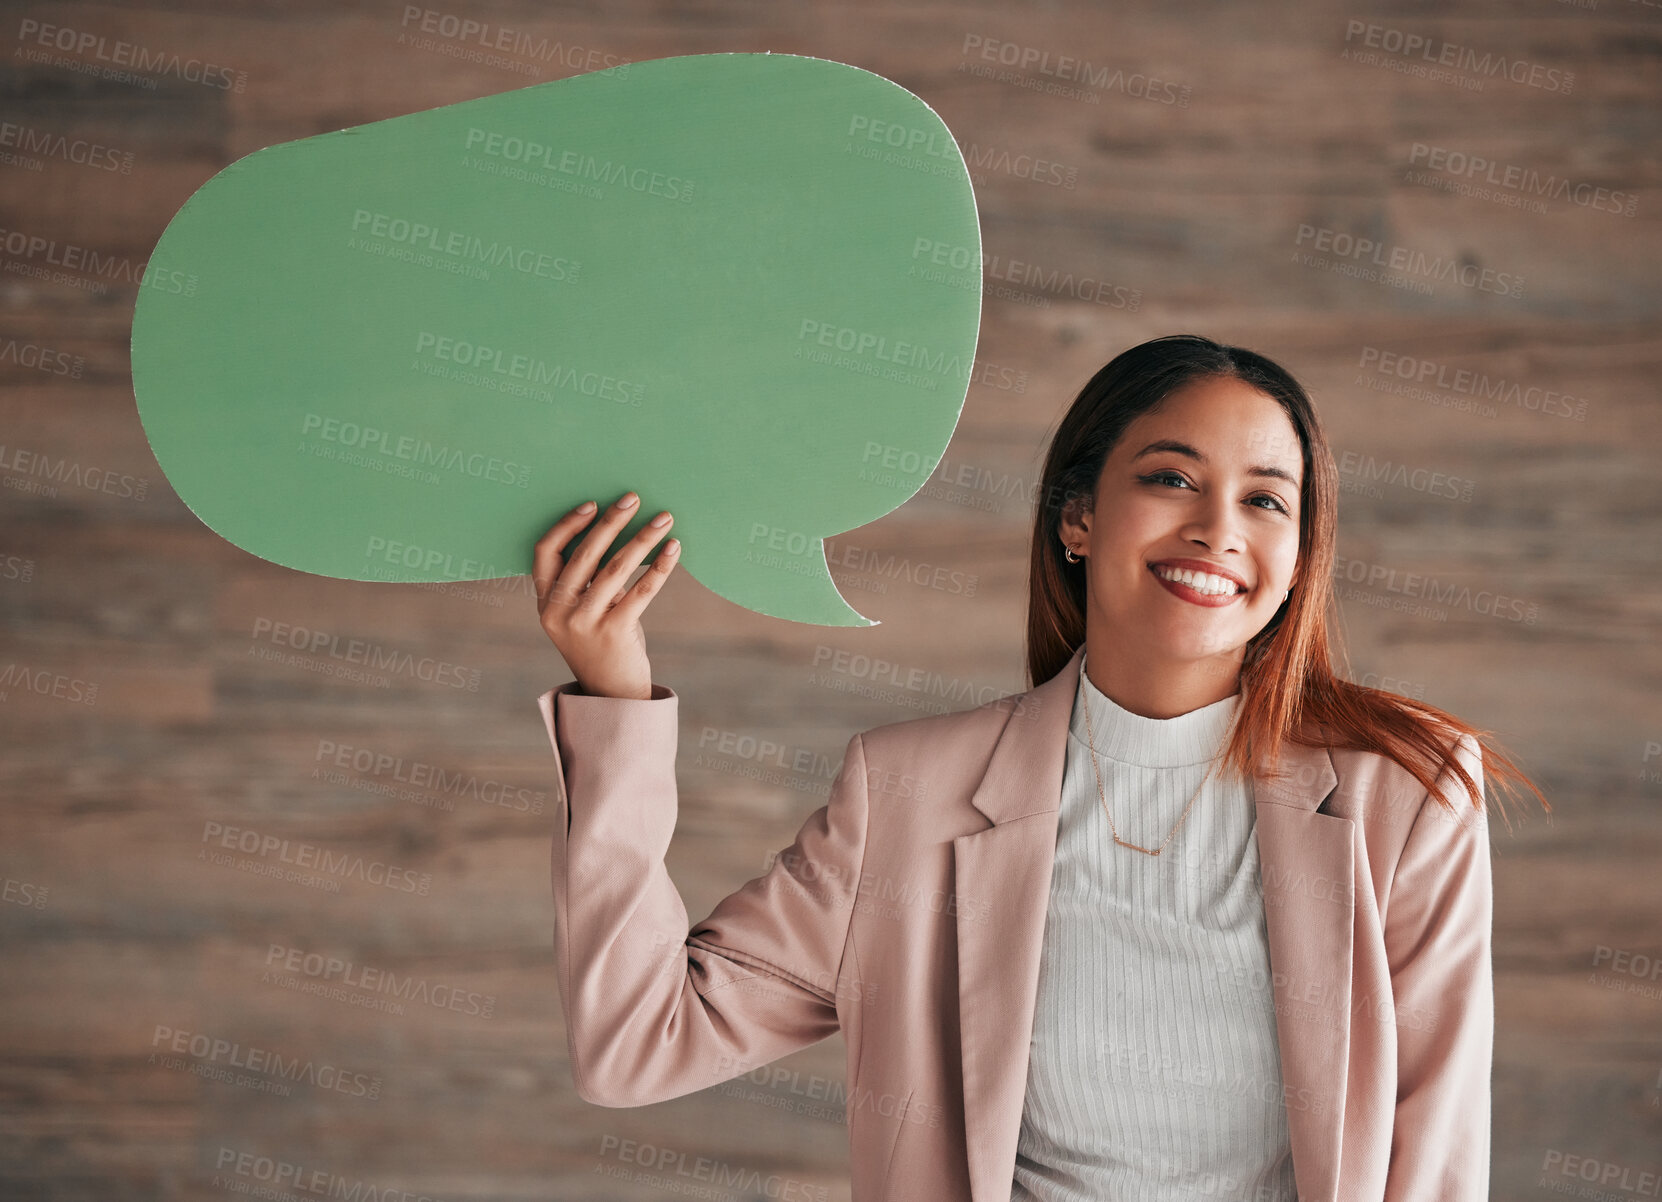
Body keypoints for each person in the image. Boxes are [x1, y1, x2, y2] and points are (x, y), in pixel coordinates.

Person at [530, 334, 1548, 1201]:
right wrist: (613, 695)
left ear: (1299, 557)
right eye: (1170, 477)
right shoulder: (909, 797)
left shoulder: (1406, 792)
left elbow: (1436, 1161)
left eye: (1267, 501)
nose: (1217, 529)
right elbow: (638, 1039)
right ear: (1078, 517)